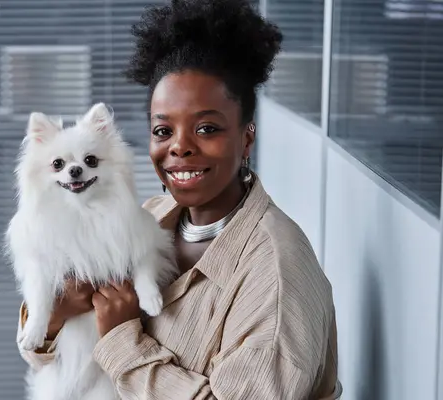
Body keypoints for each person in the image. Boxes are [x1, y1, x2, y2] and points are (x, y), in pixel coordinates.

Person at [17, 0, 342, 398]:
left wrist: (121, 338)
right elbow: (48, 359)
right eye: (163, 130)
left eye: (206, 128)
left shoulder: (275, 275)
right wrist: (53, 319)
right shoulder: (151, 216)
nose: (180, 147)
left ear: (247, 138)